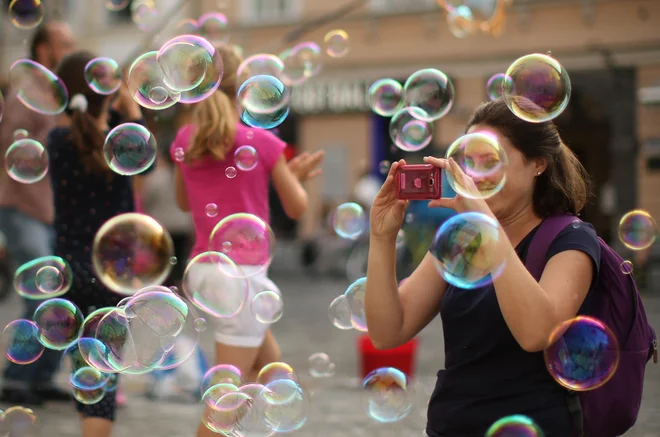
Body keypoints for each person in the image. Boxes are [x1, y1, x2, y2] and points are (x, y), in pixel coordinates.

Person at [365, 98, 599, 437]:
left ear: (537, 164)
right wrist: (381, 237)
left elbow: (536, 334)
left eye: (489, 161)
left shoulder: (570, 239)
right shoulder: (462, 238)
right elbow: (388, 332)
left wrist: (486, 225)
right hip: (452, 426)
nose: (474, 175)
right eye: (468, 162)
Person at [169, 44, 324, 437]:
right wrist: (296, 178)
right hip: (243, 278)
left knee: (268, 370)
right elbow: (296, 208)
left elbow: (183, 201)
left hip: (205, 271)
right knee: (225, 402)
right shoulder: (264, 143)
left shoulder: (186, 139)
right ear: (243, 90)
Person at [48, 50, 144, 437]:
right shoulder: (121, 141)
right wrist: (132, 107)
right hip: (113, 273)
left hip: (71, 272)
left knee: (85, 374)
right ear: (108, 92)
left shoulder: (57, 141)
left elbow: (83, 129)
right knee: (105, 379)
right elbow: (145, 161)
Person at [0, 21, 76, 405]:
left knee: (60, 292)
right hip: (21, 205)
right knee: (39, 293)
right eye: (65, 44)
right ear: (44, 50)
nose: (71, 51)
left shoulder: (57, 95)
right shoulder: (26, 94)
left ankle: (43, 376)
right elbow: (8, 147)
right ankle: (17, 377)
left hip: (49, 210)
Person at [140, 149, 193, 286]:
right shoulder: (184, 176)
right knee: (180, 259)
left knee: (163, 261)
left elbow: (146, 199)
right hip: (182, 225)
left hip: (161, 226)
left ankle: (166, 286)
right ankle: (178, 285)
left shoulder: (156, 177)